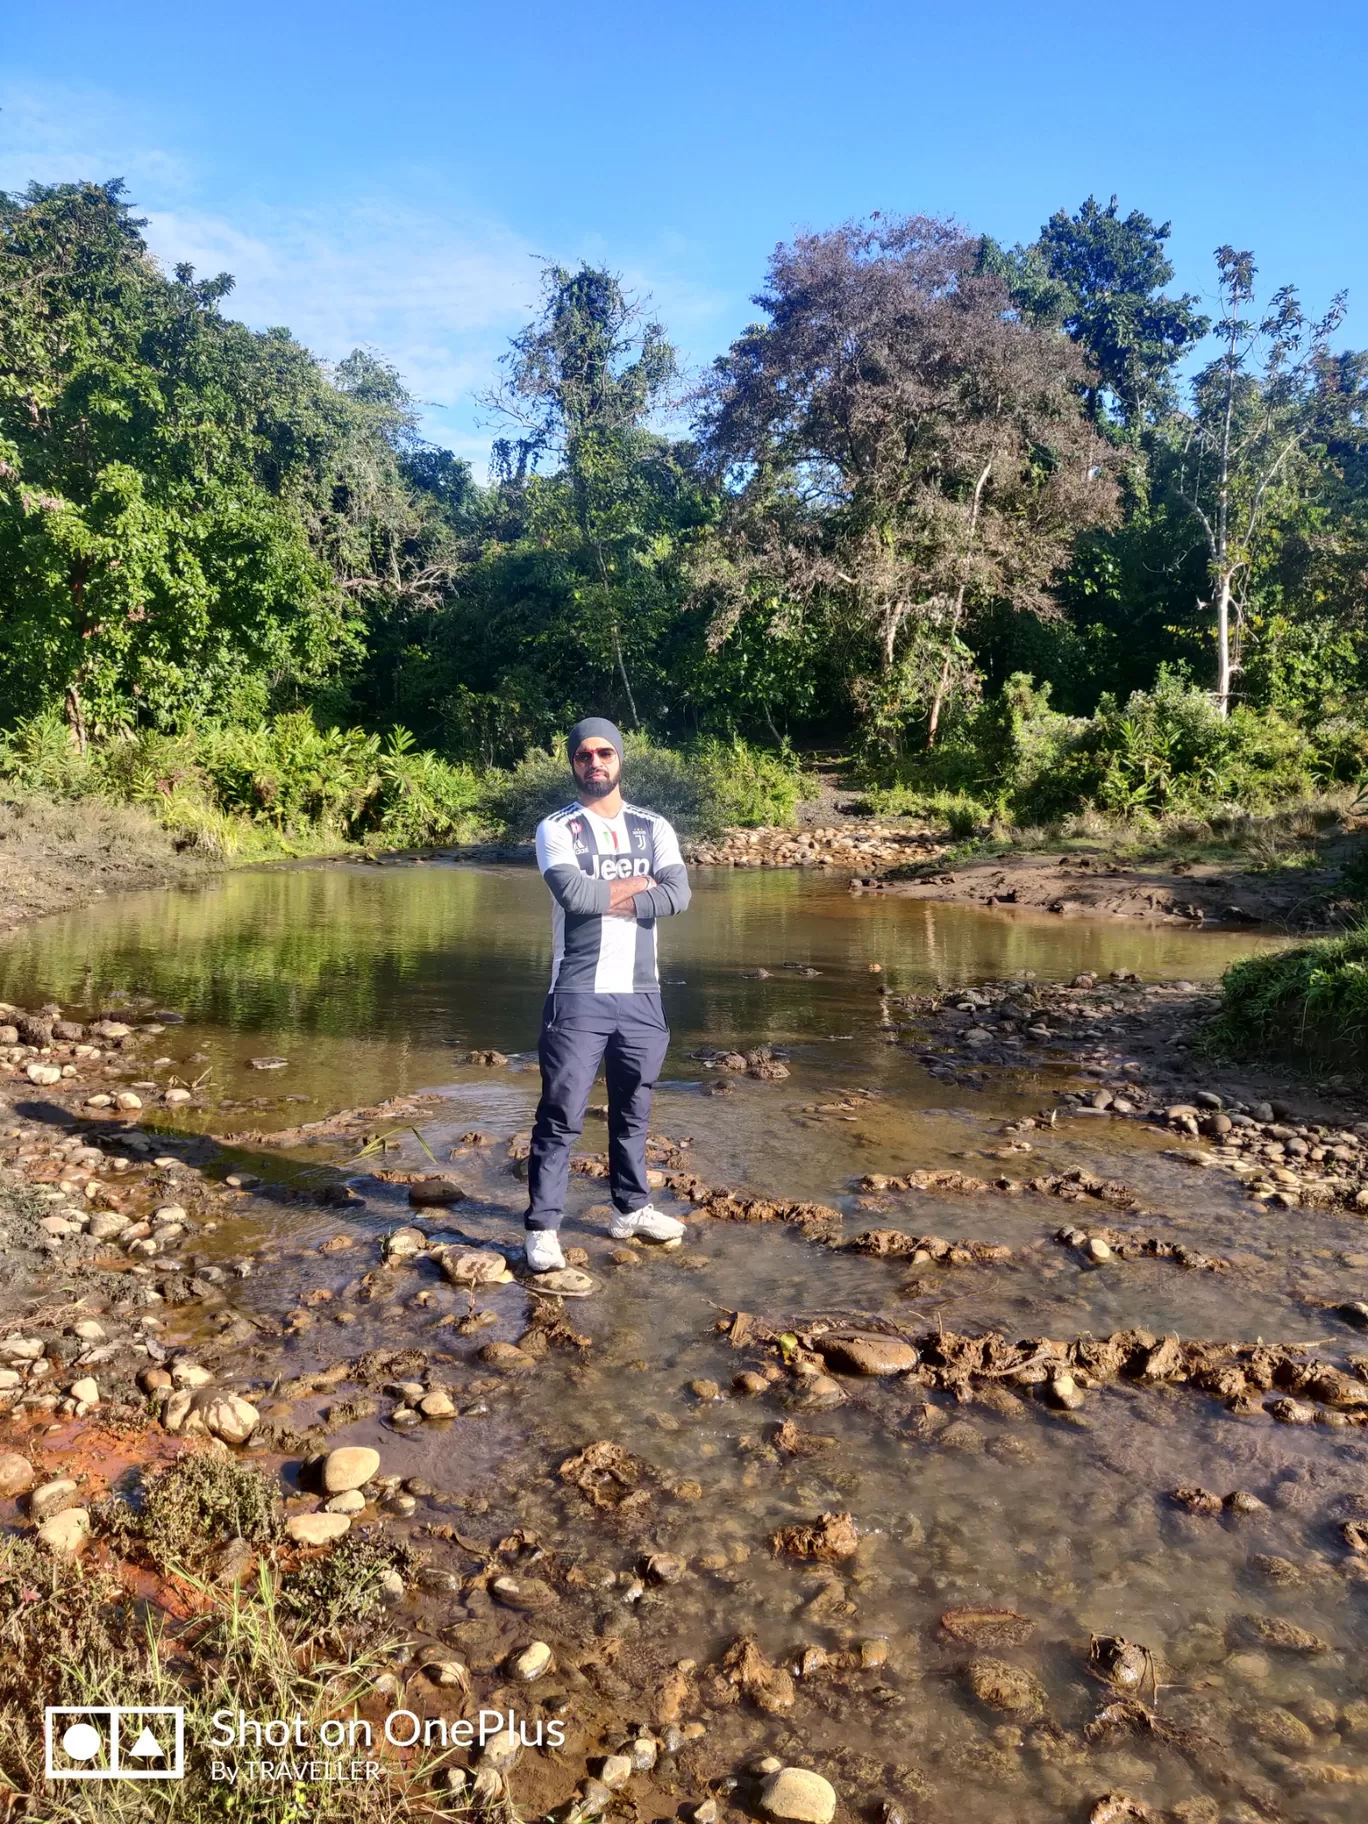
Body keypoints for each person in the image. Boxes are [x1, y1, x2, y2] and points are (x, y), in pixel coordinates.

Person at [523, 717, 691, 1272]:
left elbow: (679, 896)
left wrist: (613, 895)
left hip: (643, 994)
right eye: (583, 755)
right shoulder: (556, 829)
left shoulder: (653, 827)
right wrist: (642, 886)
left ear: (619, 759)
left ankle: (632, 1208)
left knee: (634, 1109)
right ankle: (544, 1227)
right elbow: (572, 893)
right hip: (577, 993)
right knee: (560, 1114)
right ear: (572, 763)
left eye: (605, 753)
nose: (595, 762)